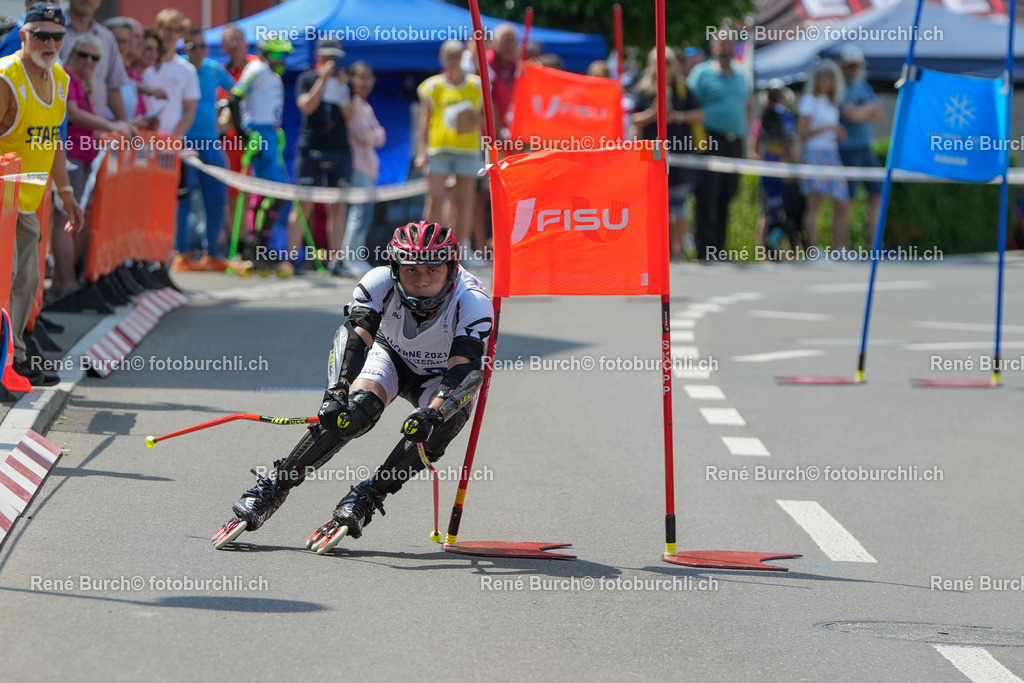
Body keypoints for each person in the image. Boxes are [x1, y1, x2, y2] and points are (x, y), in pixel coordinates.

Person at [213, 221, 493, 552]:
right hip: (393, 357)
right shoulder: (377, 283)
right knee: (352, 412)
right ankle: (275, 486)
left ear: (451, 267)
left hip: (442, 374)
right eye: (411, 270)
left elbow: (464, 369)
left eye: (433, 270)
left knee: (441, 424)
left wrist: (431, 414)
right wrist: (336, 393)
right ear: (394, 268)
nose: (422, 281)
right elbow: (354, 340)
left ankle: (367, 497)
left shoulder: (472, 300)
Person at [0, 3, 84, 386]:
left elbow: (54, 144)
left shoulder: (60, 78)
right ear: (23, 36)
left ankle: (13, 356)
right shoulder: (6, 78)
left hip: (30, 201)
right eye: (40, 35)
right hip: (2, 200)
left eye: (56, 37)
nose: (49, 43)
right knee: (8, 277)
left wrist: (66, 194)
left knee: (26, 282)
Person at [51, 33, 134, 295]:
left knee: (78, 219)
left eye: (95, 57)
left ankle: (71, 279)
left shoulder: (83, 83)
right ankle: (65, 281)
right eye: (83, 55)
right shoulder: (65, 77)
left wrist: (118, 129)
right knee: (66, 218)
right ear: (71, 54)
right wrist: (112, 125)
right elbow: (73, 115)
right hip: (70, 158)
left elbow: (84, 126)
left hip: (84, 156)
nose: (88, 61)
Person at [631, 47, 704, 262]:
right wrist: (653, 114)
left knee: (678, 204)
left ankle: (678, 249)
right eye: (659, 63)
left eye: (668, 63)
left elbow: (700, 114)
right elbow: (633, 118)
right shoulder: (643, 89)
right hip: (650, 150)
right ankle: (655, 248)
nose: (663, 68)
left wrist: (677, 117)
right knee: (654, 204)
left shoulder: (683, 89)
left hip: (678, 151)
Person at [288, 38, 353, 276]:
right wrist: (322, 81)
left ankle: (336, 259)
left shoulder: (345, 81)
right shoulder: (307, 78)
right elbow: (306, 106)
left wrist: (343, 89)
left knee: (338, 205)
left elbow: (349, 113)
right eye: (327, 58)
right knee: (304, 201)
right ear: (319, 56)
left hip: (338, 148)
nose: (332, 63)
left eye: (335, 58)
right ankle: (292, 258)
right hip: (311, 147)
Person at [228, 37, 293, 275]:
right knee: (276, 191)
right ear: (266, 53)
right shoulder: (256, 67)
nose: (282, 61)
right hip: (259, 132)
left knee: (275, 192)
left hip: (272, 133)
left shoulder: (273, 75)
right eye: (277, 55)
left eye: (284, 56)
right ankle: (256, 245)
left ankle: (260, 244)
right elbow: (235, 97)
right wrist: (243, 133)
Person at [415, 40, 484, 261]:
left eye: (457, 55)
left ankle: (459, 250)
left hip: (467, 150)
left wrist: (476, 119)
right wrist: (421, 152)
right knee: (435, 197)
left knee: (463, 202)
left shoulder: (477, 86)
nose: (453, 61)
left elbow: (486, 118)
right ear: (443, 59)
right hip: (439, 149)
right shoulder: (432, 87)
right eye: (449, 56)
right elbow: (424, 121)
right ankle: (429, 245)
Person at [687, 35, 753, 261]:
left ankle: (719, 248)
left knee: (727, 194)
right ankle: (704, 250)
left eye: (729, 45)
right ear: (714, 47)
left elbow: (747, 106)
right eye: (721, 45)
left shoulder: (740, 75)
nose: (725, 50)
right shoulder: (702, 74)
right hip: (710, 140)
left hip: (735, 141)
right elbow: (692, 105)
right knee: (708, 194)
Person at [178, 27, 233, 271]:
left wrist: (228, 121)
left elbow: (237, 95)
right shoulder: (180, 67)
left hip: (211, 141)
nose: (199, 51)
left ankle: (214, 254)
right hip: (184, 141)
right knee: (184, 199)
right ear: (185, 49)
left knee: (216, 197)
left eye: (202, 46)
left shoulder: (214, 68)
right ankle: (182, 253)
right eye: (193, 46)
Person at [797, 60, 851, 249]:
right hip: (815, 154)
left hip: (832, 154)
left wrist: (838, 133)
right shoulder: (809, 101)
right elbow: (802, 131)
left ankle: (841, 248)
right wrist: (826, 128)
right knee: (815, 204)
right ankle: (813, 248)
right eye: (821, 77)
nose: (825, 81)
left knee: (843, 203)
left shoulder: (832, 104)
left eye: (829, 78)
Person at [343, 60, 385, 277]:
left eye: (368, 77)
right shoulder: (351, 103)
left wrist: (373, 135)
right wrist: (373, 135)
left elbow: (379, 135)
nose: (364, 82)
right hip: (356, 167)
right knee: (357, 214)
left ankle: (357, 256)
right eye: (360, 77)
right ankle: (348, 257)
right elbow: (363, 134)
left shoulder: (366, 106)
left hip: (369, 168)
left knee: (366, 215)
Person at [838, 45, 883, 245]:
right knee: (847, 201)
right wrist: (868, 110)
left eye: (856, 66)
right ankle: (843, 247)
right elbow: (852, 116)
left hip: (866, 148)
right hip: (848, 151)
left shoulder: (862, 85)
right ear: (843, 66)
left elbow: (880, 112)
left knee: (878, 196)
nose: (853, 70)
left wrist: (862, 111)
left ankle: (875, 245)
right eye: (849, 66)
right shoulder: (839, 88)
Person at [60, 0, 128, 121]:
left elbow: (113, 86)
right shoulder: (54, 32)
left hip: (96, 132)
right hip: (62, 128)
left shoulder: (106, 37)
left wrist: (125, 125)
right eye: (82, 55)